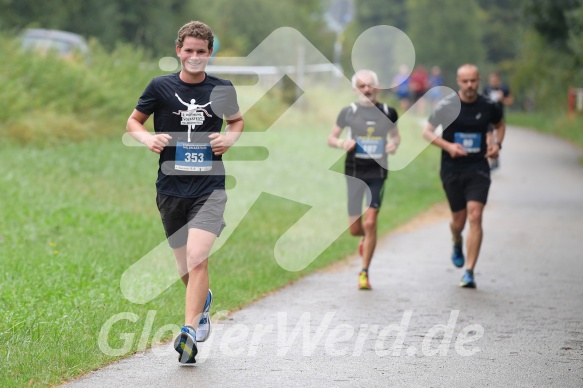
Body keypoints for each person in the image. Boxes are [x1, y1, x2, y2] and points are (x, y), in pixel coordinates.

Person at [126, 21, 244, 363]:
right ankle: (203, 303)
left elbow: (236, 121)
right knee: (184, 267)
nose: (194, 57)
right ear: (178, 51)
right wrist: (148, 138)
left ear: (210, 54)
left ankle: (188, 331)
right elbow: (133, 121)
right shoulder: (160, 86)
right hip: (170, 188)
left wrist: (230, 139)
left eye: (201, 52)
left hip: (210, 187)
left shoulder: (222, 89)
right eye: (189, 50)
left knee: (197, 258)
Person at [422, 64, 505, 289]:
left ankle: (469, 272)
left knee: (475, 215)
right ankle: (456, 240)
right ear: (458, 82)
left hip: (478, 168)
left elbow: (499, 125)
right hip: (451, 168)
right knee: (458, 222)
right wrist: (448, 146)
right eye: (465, 81)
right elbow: (427, 132)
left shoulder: (489, 105)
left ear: (479, 80)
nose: (469, 85)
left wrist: (497, 145)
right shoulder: (447, 106)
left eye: (473, 81)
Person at [328, 70, 401, 290]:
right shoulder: (348, 112)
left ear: (377, 88)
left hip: (377, 173)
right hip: (354, 173)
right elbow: (331, 137)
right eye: (361, 86)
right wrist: (342, 144)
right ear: (355, 90)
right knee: (355, 228)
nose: (366, 90)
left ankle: (364, 272)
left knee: (370, 222)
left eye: (370, 85)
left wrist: (393, 145)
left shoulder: (389, 112)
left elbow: (395, 136)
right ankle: (366, 239)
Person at [483, 72, 513, 170]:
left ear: (498, 80)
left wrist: (502, 99)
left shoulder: (503, 88)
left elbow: (510, 101)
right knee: (489, 135)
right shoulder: (486, 88)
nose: (492, 82)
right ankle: (493, 158)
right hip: (488, 116)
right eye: (491, 80)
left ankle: (496, 152)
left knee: (497, 136)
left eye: (494, 81)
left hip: (499, 116)